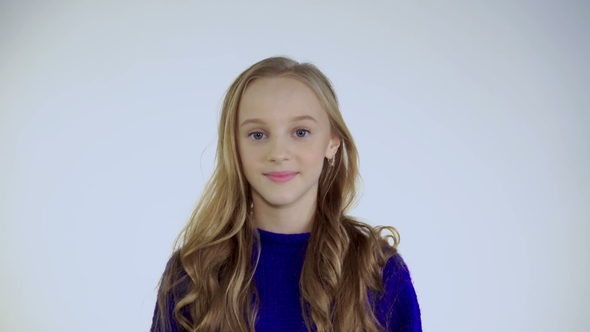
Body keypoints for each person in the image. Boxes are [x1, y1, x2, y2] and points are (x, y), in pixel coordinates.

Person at [150, 56, 422, 332]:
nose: (278, 153)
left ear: (332, 143)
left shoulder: (377, 270)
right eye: (257, 135)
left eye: (300, 132)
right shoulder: (193, 273)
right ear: (235, 147)